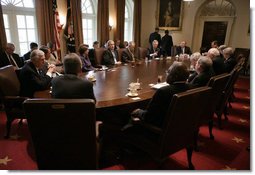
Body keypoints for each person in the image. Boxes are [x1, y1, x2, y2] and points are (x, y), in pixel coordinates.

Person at [124, 61, 190, 131]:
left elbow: (149, 117)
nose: (167, 75)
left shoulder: (163, 91)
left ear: (173, 76)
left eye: (168, 72)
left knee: (129, 112)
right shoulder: (191, 87)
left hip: (160, 129)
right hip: (182, 126)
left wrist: (138, 111)